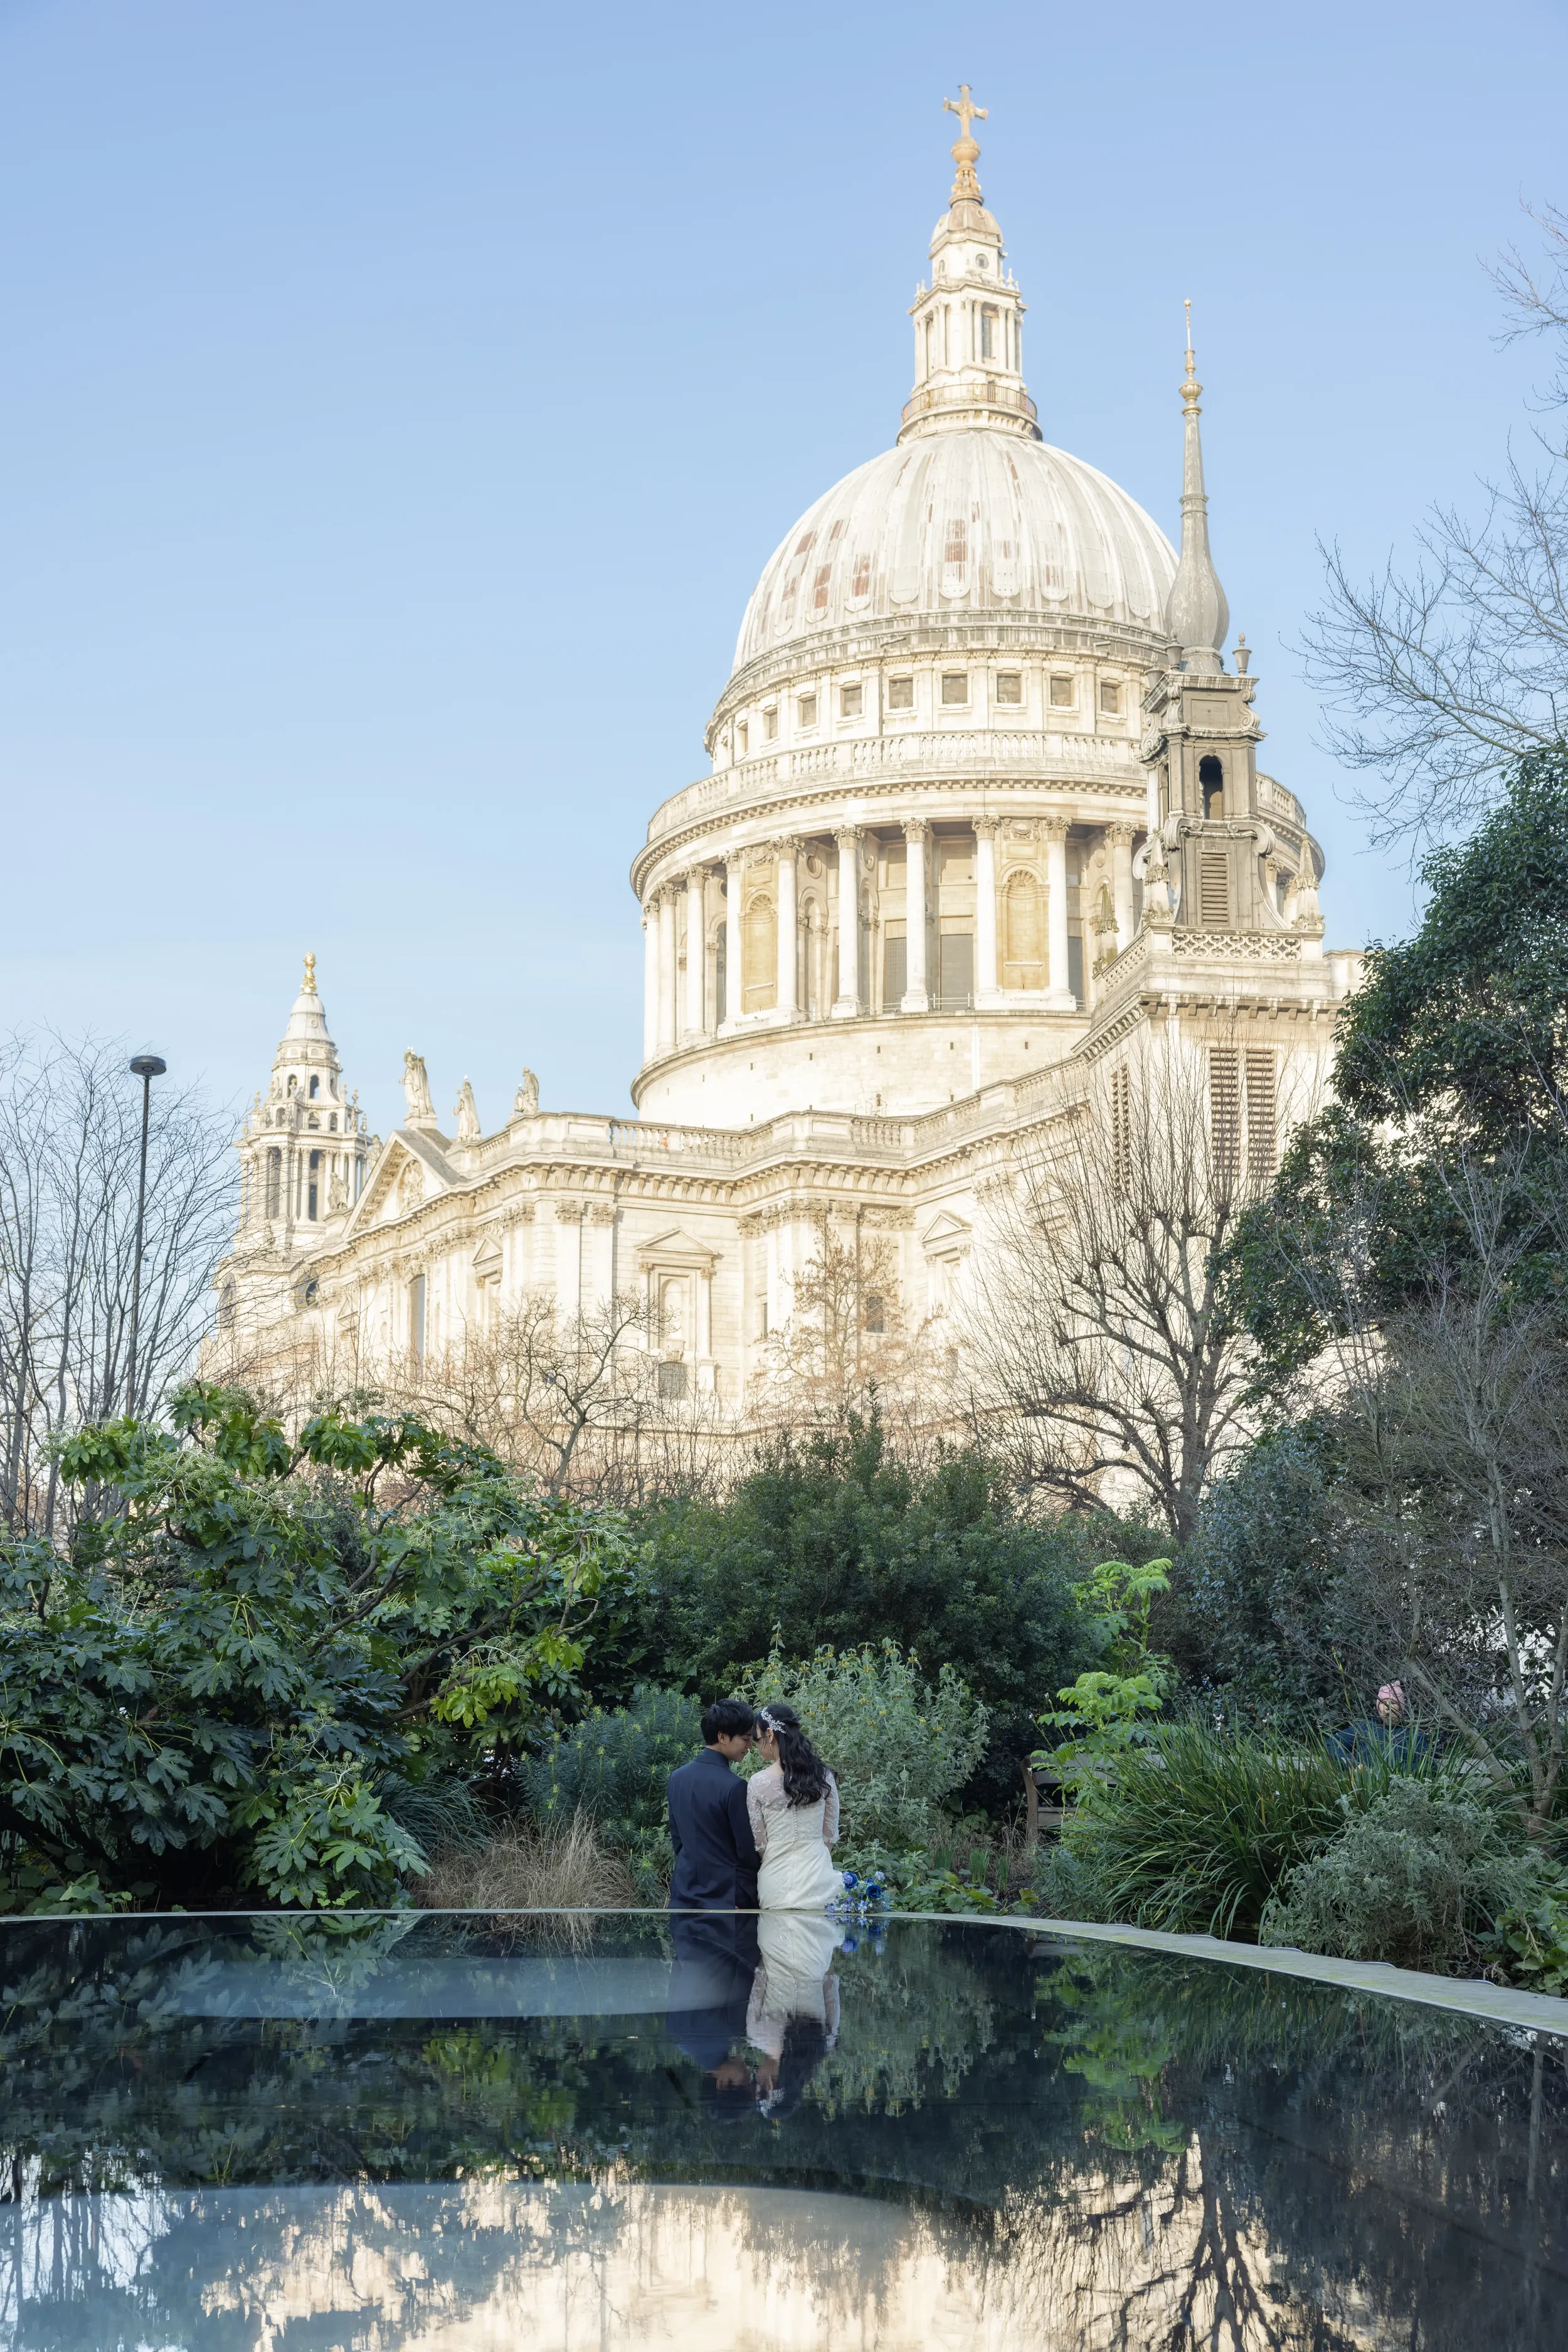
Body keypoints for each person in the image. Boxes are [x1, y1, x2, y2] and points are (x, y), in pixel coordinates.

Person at [666, 1698, 761, 1913]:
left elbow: (679, 1843)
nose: (749, 1747)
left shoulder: (676, 1778)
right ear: (722, 1737)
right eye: (745, 1739)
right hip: (728, 1900)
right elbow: (746, 1852)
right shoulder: (735, 1786)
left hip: (684, 1894)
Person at [747, 1701, 843, 1913]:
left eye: (757, 1739)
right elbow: (829, 1836)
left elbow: (760, 1843)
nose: (757, 1746)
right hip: (819, 1877)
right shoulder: (823, 1776)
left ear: (770, 1735)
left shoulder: (757, 1783)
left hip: (775, 1879)